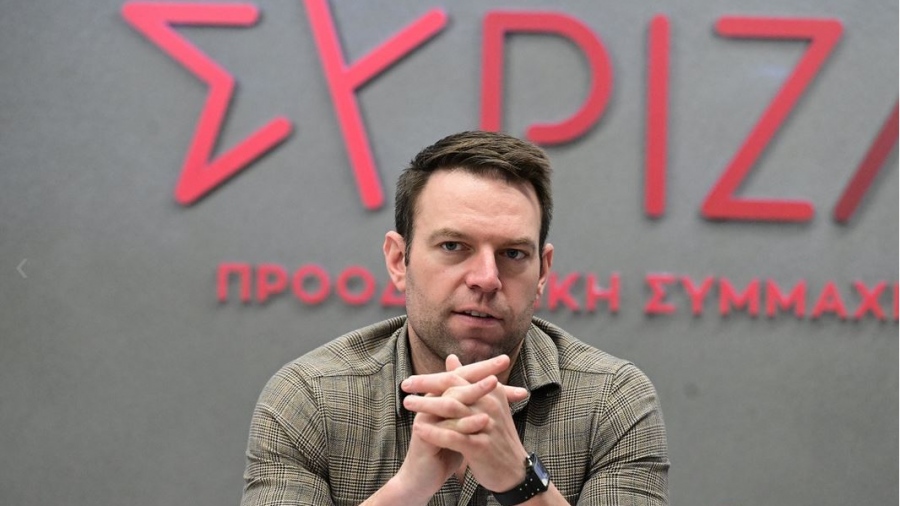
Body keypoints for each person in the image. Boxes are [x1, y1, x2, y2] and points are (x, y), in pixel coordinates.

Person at [241, 131, 669, 505]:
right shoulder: (311, 398)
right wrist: (407, 491)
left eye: (513, 253)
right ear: (399, 260)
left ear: (542, 272)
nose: (486, 278)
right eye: (453, 246)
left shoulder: (611, 400)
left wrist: (519, 480)